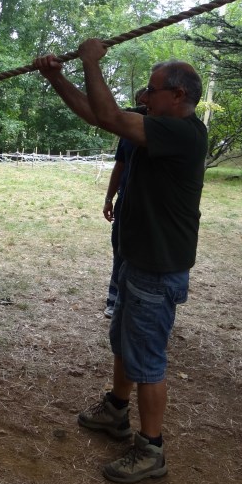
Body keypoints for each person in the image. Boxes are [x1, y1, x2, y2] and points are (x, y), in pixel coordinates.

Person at [33, 41, 207, 484]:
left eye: (151, 90)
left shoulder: (183, 133)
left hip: (158, 263)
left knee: (147, 357)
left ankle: (151, 450)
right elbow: (98, 114)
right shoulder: (156, 121)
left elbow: (110, 115)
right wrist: (56, 78)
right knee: (124, 340)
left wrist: (92, 61)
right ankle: (115, 410)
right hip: (136, 256)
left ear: (179, 96)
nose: (144, 98)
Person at [103, 87, 146, 318]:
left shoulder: (163, 132)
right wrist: (109, 198)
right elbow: (119, 165)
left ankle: (134, 301)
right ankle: (114, 297)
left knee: (138, 255)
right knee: (119, 250)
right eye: (139, 102)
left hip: (148, 207)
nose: (142, 106)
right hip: (124, 201)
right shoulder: (127, 133)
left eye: (146, 102)